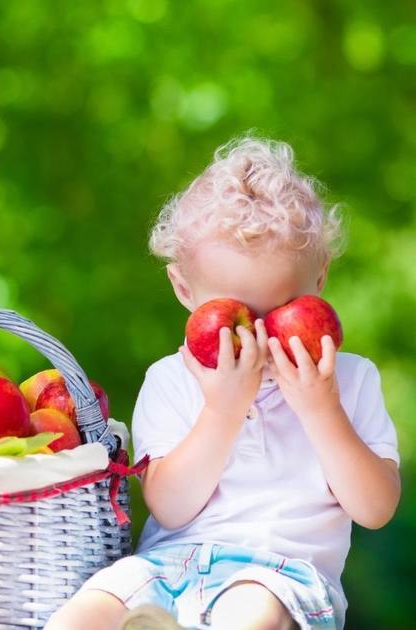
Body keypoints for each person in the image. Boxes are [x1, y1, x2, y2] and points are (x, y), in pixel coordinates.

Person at [46, 137, 400, 630]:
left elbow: (376, 508)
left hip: (280, 576)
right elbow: (169, 508)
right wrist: (222, 411)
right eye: (239, 317)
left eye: (280, 314)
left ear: (319, 281)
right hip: (169, 567)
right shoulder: (172, 380)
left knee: (250, 611)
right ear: (184, 290)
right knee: (86, 610)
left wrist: (322, 409)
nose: (258, 338)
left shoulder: (348, 378)